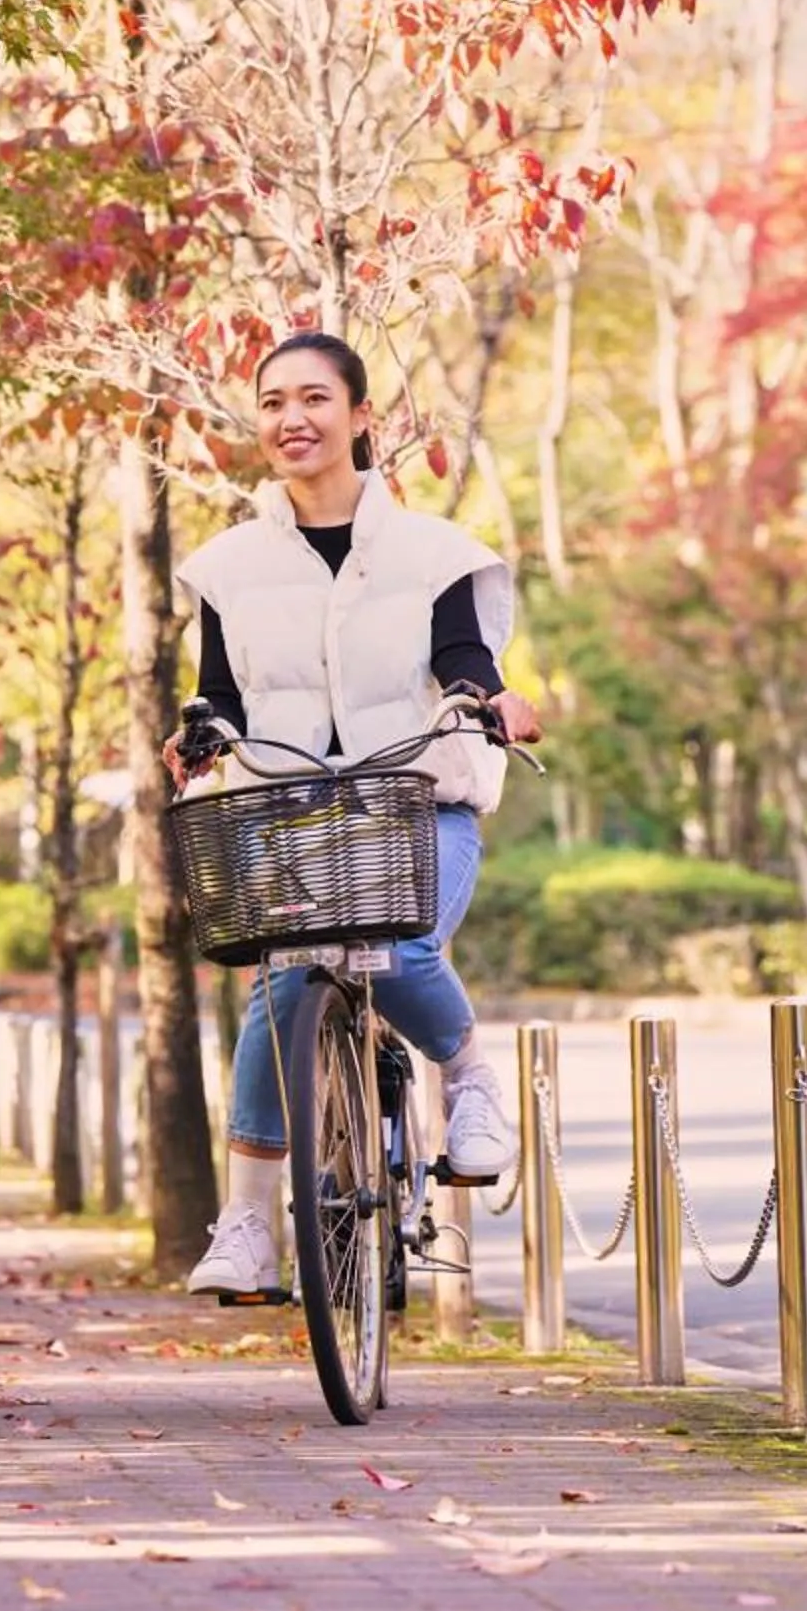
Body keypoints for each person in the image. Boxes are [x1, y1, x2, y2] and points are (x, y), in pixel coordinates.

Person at [166, 331, 545, 1301]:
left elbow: (467, 662)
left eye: (315, 399)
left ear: (361, 416)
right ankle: (249, 1224)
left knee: (402, 943)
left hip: (418, 795)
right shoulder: (229, 567)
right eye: (273, 403)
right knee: (282, 979)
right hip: (290, 811)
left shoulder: (436, 553)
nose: (293, 419)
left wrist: (491, 702)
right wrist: (200, 736)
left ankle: (468, 1081)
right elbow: (223, 694)